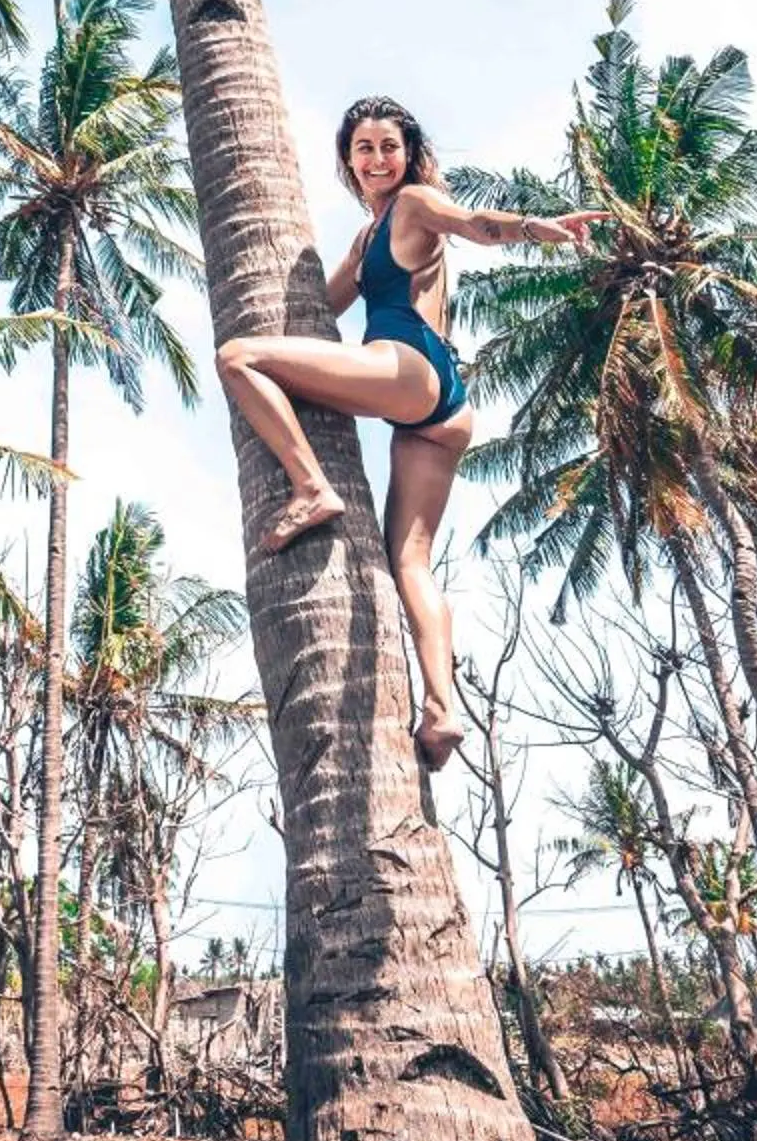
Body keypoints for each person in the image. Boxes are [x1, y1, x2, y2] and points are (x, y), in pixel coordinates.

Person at [216, 95, 594, 771]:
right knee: (410, 563)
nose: (377, 159)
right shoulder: (368, 242)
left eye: (388, 146)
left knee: (239, 359)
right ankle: (442, 709)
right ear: (348, 160)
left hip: (410, 366)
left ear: (408, 153)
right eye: (363, 148)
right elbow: (320, 307)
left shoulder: (416, 203)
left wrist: (539, 229)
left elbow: (476, 225)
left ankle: (311, 487)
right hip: (442, 412)